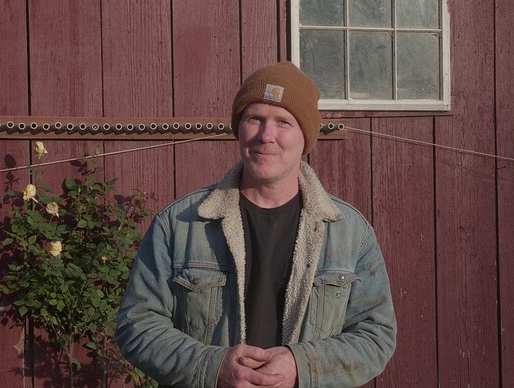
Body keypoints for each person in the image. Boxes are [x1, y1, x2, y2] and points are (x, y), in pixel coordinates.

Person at [115, 61, 397, 387]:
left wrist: (300, 365)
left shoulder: (350, 232)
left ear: (305, 135)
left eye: (284, 122)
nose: (266, 136)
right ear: (239, 128)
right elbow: (138, 323)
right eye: (255, 119)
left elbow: (376, 336)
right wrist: (212, 366)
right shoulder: (179, 224)